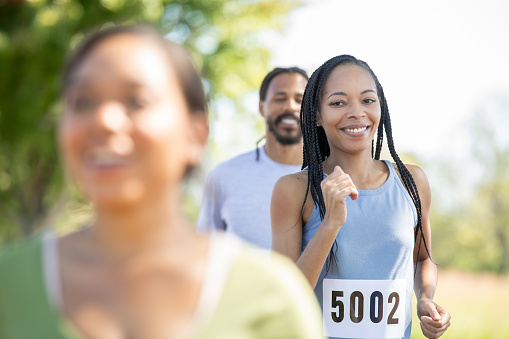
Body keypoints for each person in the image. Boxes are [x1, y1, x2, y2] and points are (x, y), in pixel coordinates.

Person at [0, 25, 323, 339]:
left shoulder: (273, 300)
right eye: (83, 101)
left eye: (136, 101)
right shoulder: (9, 285)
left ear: (196, 133)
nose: (103, 121)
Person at [271, 55, 451, 339]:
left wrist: (425, 298)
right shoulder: (294, 190)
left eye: (367, 100)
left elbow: (422, 259)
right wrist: (330, 224)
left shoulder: (412, 182)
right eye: (338, 103)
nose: (356, 112)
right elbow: (284, 296)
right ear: (316, 115)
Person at [196, 67, 308, 250]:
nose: (290, 106)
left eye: (299, 99)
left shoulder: (330, 177)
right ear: (261, 107)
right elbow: (203, 251)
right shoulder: (224, 175)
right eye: (280, 98)